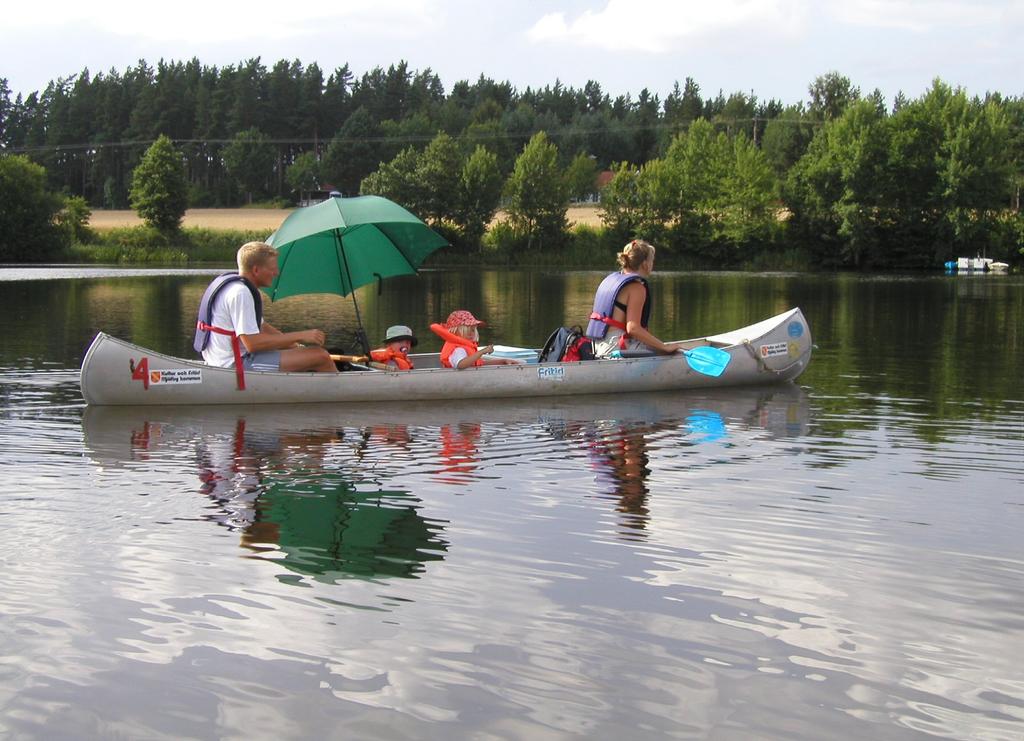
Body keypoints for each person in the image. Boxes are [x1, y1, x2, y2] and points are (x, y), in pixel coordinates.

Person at [194, 241, 337, 373]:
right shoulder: (241, 293)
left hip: (224, 360)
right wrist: (301, 335)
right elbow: (253, 344)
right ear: (256, 270)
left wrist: (294, 346)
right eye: (272, 269)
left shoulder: (235, 287)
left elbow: (262, 327)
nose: (276, 273)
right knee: (321, 356)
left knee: (309, 354)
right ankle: (341, 395)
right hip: (235, 364)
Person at [585, 239, 684, 358]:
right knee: (666, 353)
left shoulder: (610, 280)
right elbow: (633, 329)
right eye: (652, 260)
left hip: (595, 346)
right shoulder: (637, 288)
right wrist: (664, 347)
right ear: (645, 264)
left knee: (656, 347)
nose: (653, 264)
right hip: (613, 349)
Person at [430, 310, 521, 369]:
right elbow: (460, 365)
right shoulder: (458, 349)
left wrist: (502, 361)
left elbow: (477, 364)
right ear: (455, 332)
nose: (471, 333)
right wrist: (481, 352)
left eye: (473, 330)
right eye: (467, 330)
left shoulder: (465, 347)